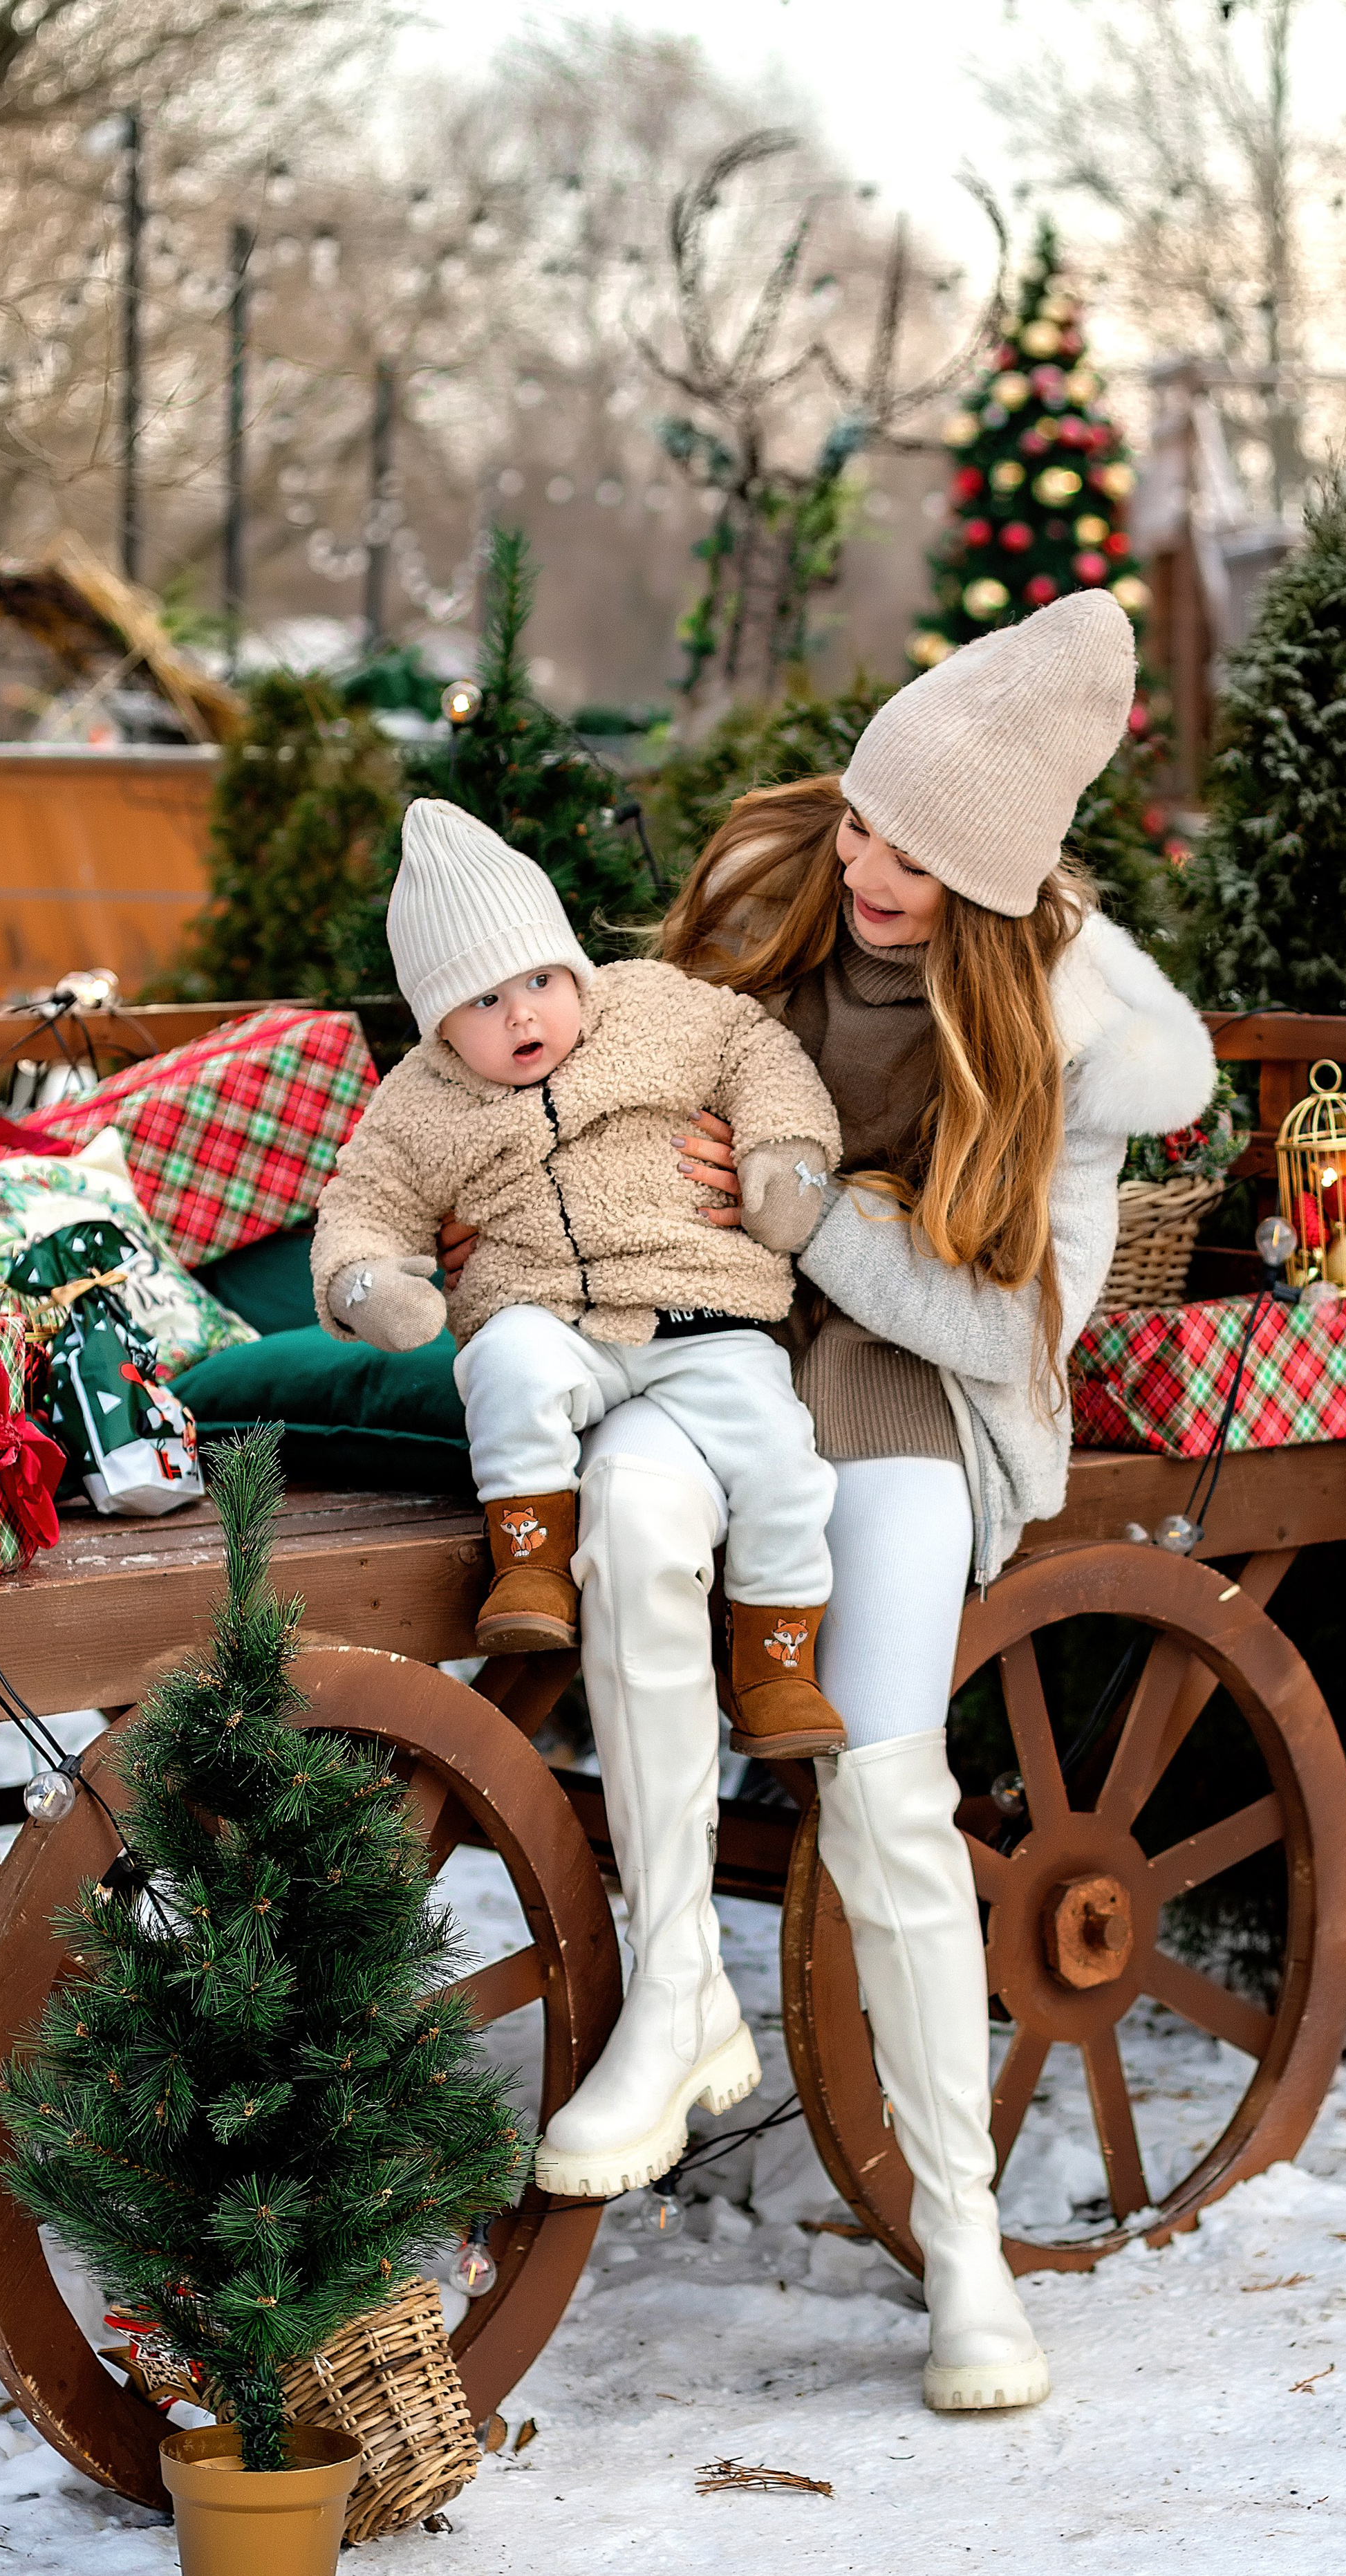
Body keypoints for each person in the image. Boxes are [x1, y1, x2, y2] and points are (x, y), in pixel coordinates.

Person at [458, 591, 1217, 2413]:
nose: (877, 870)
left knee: (879, 1782)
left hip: (904, 1403)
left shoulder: (1064, 1045)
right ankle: (674, 2002)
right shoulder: (768, 912)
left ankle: (963, 2247)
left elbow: (1004, 1327)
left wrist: (818, 1220)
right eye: (871, 822)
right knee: (635, 1529)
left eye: (925, 855)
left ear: (1007, 872)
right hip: (705, 1355)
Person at [311, 799, 850, 1830]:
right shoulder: (420, 1102)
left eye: (540, 982)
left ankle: (778, 1661)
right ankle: (530, 1561)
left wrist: (784, 1155)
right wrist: (366, 1282)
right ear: (435, 1026)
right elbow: (363, 1200)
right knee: (504, 1362)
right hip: (555, 1317)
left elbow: (759, 1051)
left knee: (783, 1458)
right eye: (483, 1001)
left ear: (574, 971)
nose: (522, 1016)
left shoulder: (655, 1010)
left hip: (704, 1314)